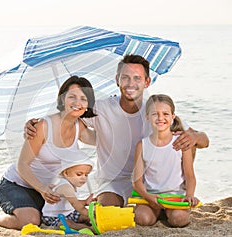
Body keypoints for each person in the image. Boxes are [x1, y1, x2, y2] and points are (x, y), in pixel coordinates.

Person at [25, 54, 209, 208]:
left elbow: (203, 141)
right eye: (126, 77)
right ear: (117, 80)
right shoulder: (101, 109)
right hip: (112, 183)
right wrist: (37, 123)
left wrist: (195, 136)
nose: (131, 83)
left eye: (137, 78)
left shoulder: (154, 112)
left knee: (146, 216)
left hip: (149, 184)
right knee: (108, 211)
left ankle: (179, 189)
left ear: (147, 82)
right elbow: (70, 114)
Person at [0, 75, 97, 230]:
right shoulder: (43, 126)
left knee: (85, 217)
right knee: (30, 221)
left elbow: (104, 140)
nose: (77, 103)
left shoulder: (79, 127)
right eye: (72, 97)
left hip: (48, 192)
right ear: (62, 99)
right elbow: (23, 164)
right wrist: (42, 190)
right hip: (17, 185)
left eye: (83, 99)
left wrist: (113, 114)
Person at [132, 94, 199, 227]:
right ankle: (157, 212)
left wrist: (190, 195)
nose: (160, 118)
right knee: (143, 219)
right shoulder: (143, 145)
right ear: (147, 117)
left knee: (179, 220)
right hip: (151, 197)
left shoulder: (181, 143)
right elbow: (136, 181)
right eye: (155, 114)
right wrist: (148, 196)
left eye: (165, 114)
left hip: (175, 197)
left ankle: (168, 212)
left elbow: (190, 176)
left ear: (173, 117)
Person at [42, 151, 94, 231]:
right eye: (79, 174)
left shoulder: (73, 183)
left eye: (86, 174)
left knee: (84, 217)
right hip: (55, 216)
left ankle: (91, 223)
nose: (83, 178)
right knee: (67, 223)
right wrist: (91, 214)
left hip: (69, 213)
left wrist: (85, 202)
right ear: (66, 173)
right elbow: (75, 204)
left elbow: (71, 203)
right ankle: (89, 228)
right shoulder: (65, 186)